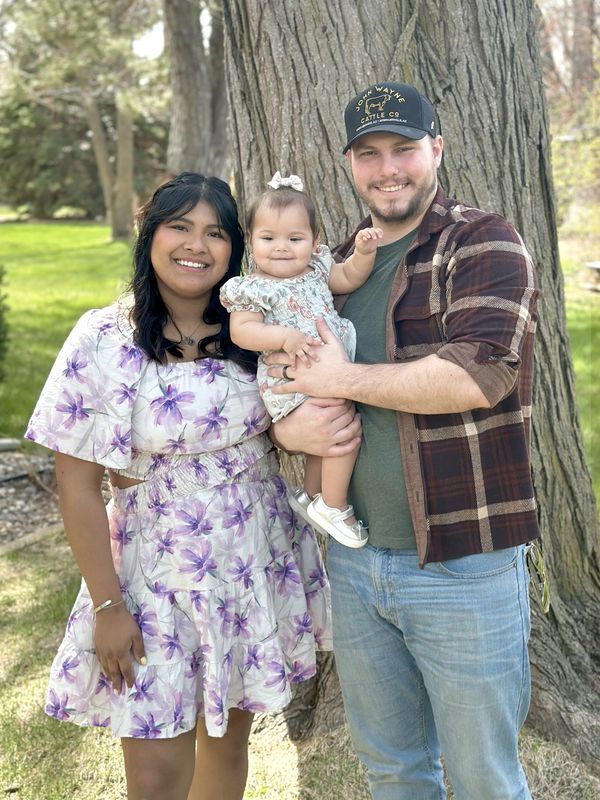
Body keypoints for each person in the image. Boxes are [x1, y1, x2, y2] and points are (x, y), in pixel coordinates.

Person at [268, 82, 540, 800]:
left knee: (484, 778)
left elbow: (479, 374)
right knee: (393, 770)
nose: (388, 169)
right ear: (350, 165)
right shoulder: (324, 271)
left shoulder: (483, 239)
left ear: (437, 150)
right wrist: (286, 427)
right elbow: (284, 378)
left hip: (464, 563)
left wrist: (345, 377)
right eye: (369, 154)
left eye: (404, 149)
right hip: (357, 563)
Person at [25, 172, 332, 800]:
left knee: (227, 747)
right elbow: (78, 487)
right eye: (180, 227)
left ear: (235, 248)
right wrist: (108, 606)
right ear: (150, 233)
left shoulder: (258, 332)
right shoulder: (103, 339)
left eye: (216, 233)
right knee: (158, 771)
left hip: (250, 567)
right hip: (151, 580)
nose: (197, 246)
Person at [220, 171, 382, 549]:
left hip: (323, 371)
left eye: (294, 239)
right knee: (342, 431)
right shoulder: (253, 288)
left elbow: (349, 278)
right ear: (250, 242)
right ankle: (335, 505)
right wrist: (283, 336)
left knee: (321, 438)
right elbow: (242, 331)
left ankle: (312, 496)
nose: (281, 247)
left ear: (314, 242)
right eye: (268, 238)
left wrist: (364, 253)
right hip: (291, 378)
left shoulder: (317, 271)